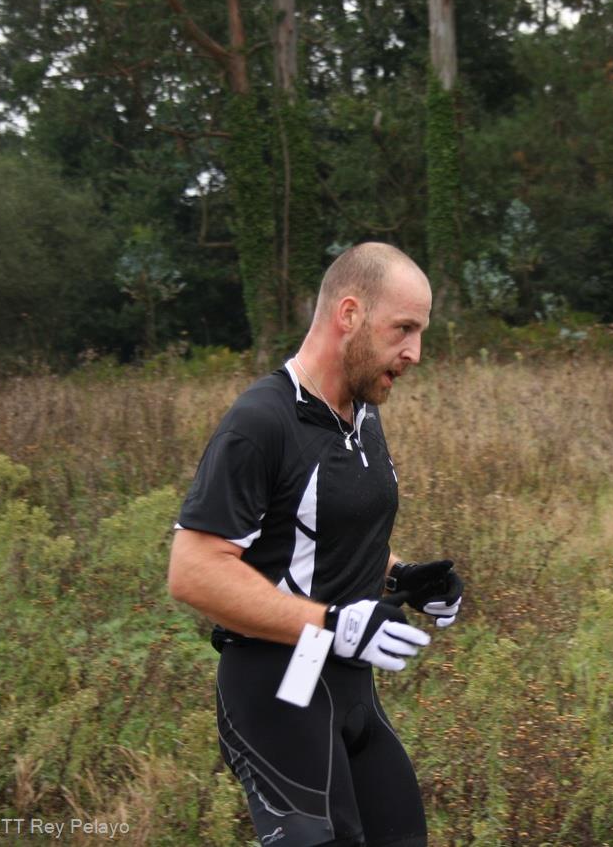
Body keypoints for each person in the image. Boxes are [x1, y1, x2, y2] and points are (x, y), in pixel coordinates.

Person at [168, 242, 464, 847]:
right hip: (274, 689)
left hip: (349, 691)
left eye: (420, 332)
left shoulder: (361, 414)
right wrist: (330, 623)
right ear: (349, 315)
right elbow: (193, 570)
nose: (415, 353)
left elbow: (317, 533)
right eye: (404, 329)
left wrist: (401, 576)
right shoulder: (261, 422)